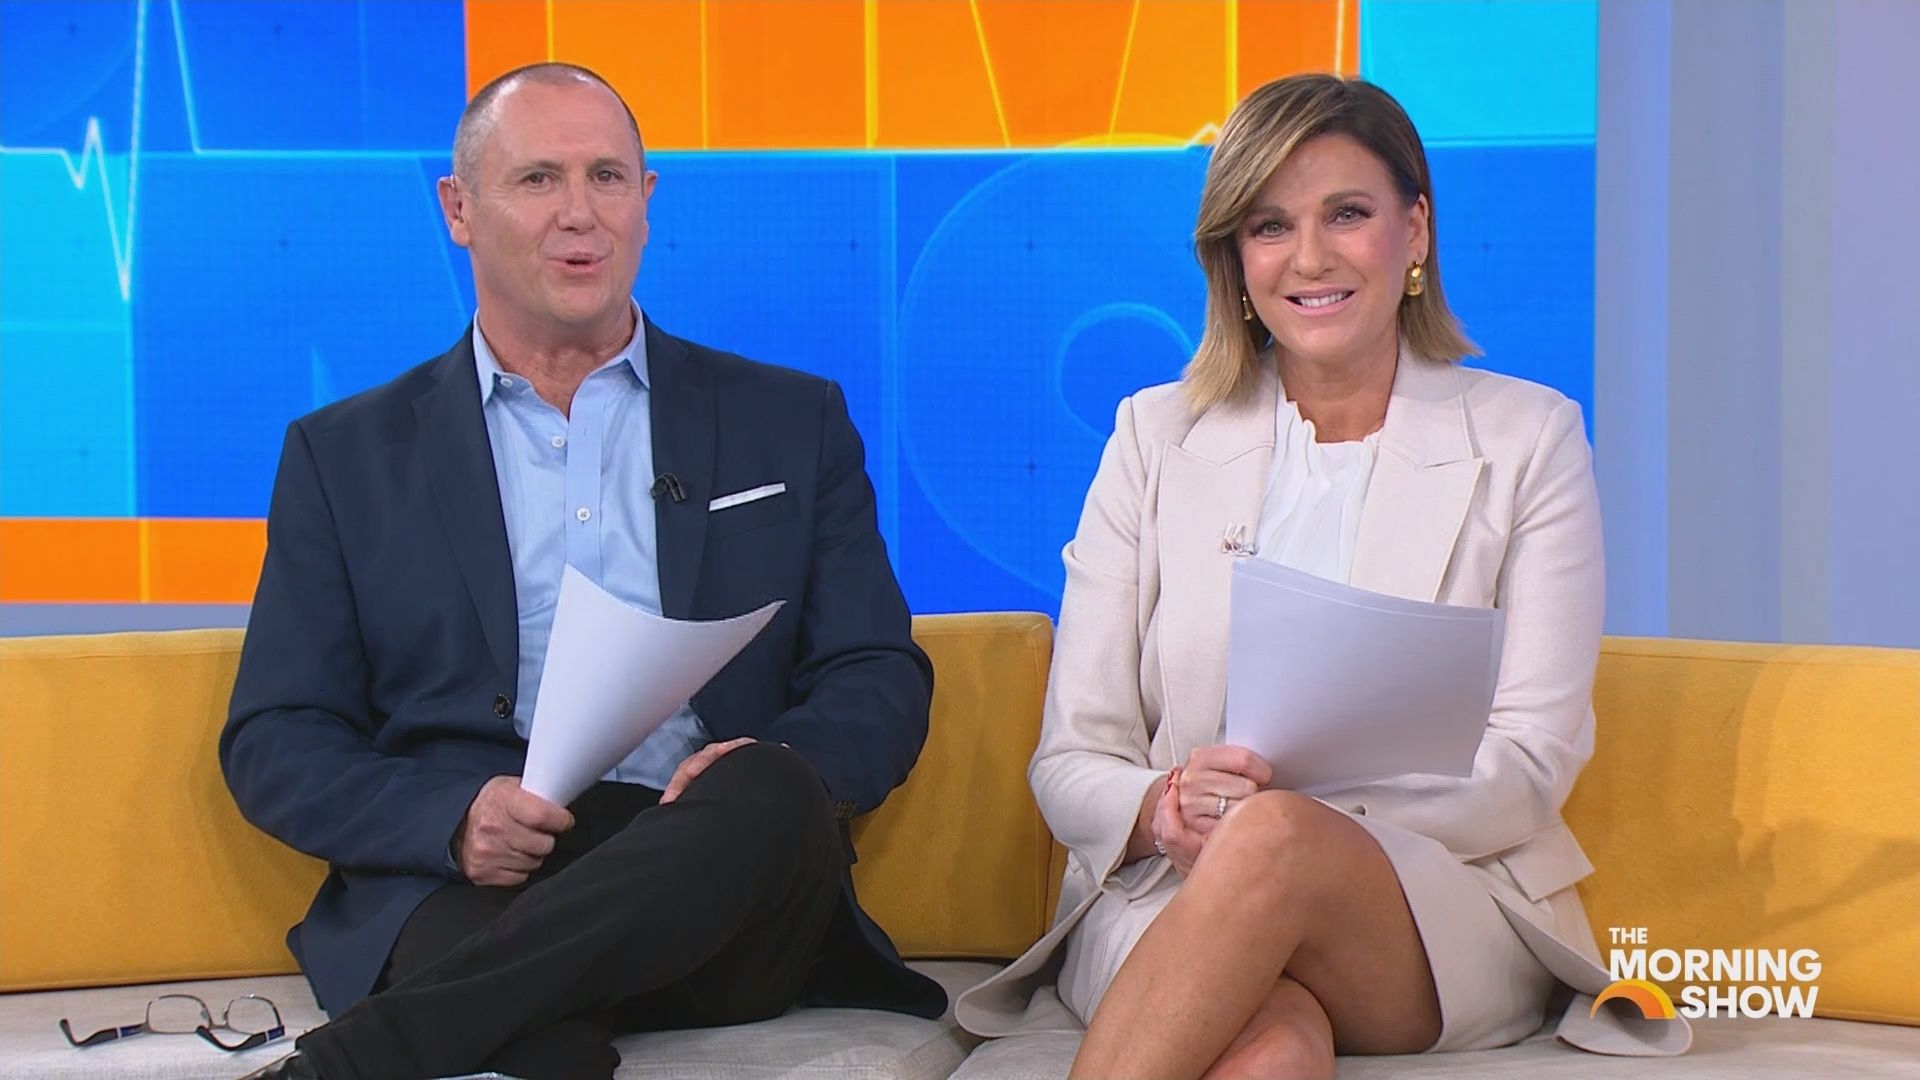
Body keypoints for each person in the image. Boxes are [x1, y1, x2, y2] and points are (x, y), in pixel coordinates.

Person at [954, 74, 1690, 1077]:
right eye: (1270, 226)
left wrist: (1280, 826)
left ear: (1414, 230)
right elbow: (1072, 761)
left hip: (1433, 905)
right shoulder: (1152, 438)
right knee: (1273, 1052)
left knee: (1275, 844)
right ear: (1235, 258)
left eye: (1347, 214)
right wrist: (1165, 807)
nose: (1308, 258)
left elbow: (1527, 764)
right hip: (1175, 895)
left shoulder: (1531, 439)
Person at [220, 62, 942, 1080]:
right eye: (538, 180)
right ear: (458, 210)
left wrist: (775, 762)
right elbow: (277, 737)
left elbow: (877, 671)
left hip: (717, 865)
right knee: (530, 1021)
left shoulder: (790, 420)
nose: (580, 214)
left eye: (607, 177)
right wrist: (451, 821)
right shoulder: (344, 457)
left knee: (772, 792)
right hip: (481, 882)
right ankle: (520, 1017)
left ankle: (361, 1056)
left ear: (646, 200)